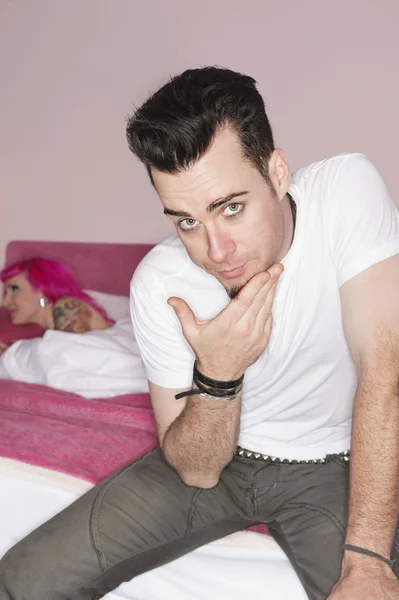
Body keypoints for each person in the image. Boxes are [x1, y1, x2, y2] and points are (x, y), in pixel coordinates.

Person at [0, 67, 398, 600]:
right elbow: (197, 470)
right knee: (25, 578)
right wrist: (218, 376)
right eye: (185, 221)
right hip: (225, 464)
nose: (216, 251)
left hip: (333, 464)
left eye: (231, 208)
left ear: (278, 173)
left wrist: (368, 558)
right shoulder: (160, 282)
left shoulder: (345, 190)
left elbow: (386, 367)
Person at [0, 257, 112, 357]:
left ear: (43, 288)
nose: (4, 303)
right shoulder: (49, 336)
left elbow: (76, 357)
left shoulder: (67, 306)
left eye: (14, 289)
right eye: (5, 293)